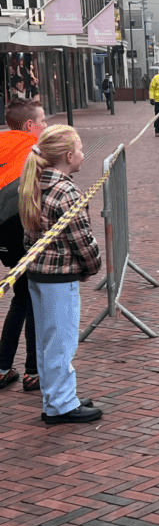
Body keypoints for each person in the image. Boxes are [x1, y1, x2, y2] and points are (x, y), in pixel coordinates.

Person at [19, 125, 102, 424]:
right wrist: (92, 267)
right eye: (79, 149)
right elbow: (82, 239)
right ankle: (61, 405)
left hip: (37, 275)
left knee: (46, 341)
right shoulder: (66, 192)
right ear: (68, 156)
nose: (82, 154)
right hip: (59, 277)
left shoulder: (34, 183)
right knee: (61, 342)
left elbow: (29, 237)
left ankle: (55, 396)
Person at [0, 99, 47, 393]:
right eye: (42, 121)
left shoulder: (2, 143)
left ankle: (3, 367)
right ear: (30, 125)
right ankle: (33, 371)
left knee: (20, 296)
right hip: (21, 228)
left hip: (2, 234)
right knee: (33, 298)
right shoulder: (34, 150)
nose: (45, 126)